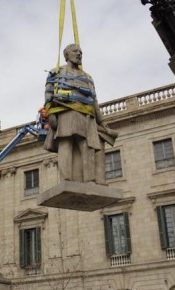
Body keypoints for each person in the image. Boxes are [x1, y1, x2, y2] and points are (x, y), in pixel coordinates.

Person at [43, 43, 117, 184]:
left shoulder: (87, 77)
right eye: (75, 51)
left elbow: (94, 100)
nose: (79, 54)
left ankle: (90, 179)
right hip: (66, 113)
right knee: (66, 144)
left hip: (87, 116)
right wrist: (51, 114)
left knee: (88, 146)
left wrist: (101, 122)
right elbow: (48, 94)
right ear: (66, 55)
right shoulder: (56, 72)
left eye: (81, 52)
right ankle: (66, 179)